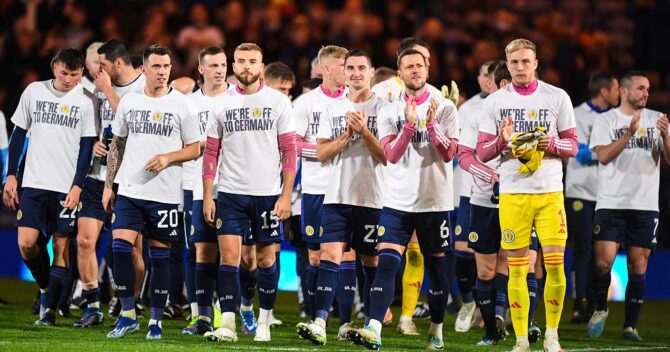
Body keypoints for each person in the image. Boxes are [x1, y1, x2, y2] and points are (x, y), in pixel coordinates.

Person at [351, 48, 458, 351]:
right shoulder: (389, 110)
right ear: (399, 74)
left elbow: (449, 153)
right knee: (386, 263)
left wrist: (432, 125)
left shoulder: (446, 107)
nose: (415, 70)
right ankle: (374, 328)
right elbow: (391, 156)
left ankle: (436, 329)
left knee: (436, 270)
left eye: (419, 65)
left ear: (428, 68)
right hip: (397, 202)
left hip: (434, 202)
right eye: (408, 66)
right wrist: (410, 125)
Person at [476, 38, 577, 352]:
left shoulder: (557, 97)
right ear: (507, 64)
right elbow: (481, 152)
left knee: (554, 266)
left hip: (549, 194)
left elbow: (572, 146)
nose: (520, 67)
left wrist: (552, 145)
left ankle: (551, 334)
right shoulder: (493, 102)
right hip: (513, 194)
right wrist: (503, 143)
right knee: (517, 268)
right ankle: (521, 340)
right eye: (514, 62)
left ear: (536, 63)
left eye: (526, 62)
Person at [103, 44, 200, 340]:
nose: (162, 72)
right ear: (144, 69)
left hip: (165, 194)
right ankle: (128, 313)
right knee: (120, 248)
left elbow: (196, 147)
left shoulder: (182, 105)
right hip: (130, 190)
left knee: (160, 258)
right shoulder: (130, 102)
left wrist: (168, 158)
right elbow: (117, 144)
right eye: (157, 67)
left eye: (166, 66)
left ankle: (155, 320)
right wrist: (109, 185)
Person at [202, 43, 296, 343]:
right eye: (241, 61)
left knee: (266, 261)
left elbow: (289, 152)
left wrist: (285, 195)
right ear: (233, 65)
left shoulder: (278, 102)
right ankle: (227, 323)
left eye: (252, 61)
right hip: (230, 193)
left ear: (260, 65)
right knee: (229, 258)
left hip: (268, 194)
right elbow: (211, 153)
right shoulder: (221, 103)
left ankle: (265, 320)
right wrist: (208, 195)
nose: (246, 66)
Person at [296, 49, 386, 345]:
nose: (356, 73)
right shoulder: (333, 110)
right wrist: (347, 135)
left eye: (362, 67)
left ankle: (372, 327)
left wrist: (365, 132)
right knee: (328, 257)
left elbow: (387, 156)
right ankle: (320, 321)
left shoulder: (386, 107)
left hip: (373, 198)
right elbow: (321, 154)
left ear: (371, 72)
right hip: (335, 196)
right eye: (351, 68)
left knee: (370, 263)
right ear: (343, 72)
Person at [3, 48, 96, 326]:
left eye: (75, 74)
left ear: (81, 73)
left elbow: (86, 148)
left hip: (65, 186)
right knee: (26, 244)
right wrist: (11, 176)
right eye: (64, 73)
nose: (68, 79)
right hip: (33, 182)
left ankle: (49, 309)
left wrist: (78, 186)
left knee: (61, 245)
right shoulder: (34, 91)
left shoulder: (87, 101)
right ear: (54, 67)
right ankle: (44, 288)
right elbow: (19, 135)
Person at [587, 71, 669, 341]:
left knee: (638, 264)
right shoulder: (605, 120)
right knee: (601, 264)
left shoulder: (658, 119)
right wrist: (629, 135)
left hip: (645, 204)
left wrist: (667, 138)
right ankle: (600, 307)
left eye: (648, 89)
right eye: (641, 88)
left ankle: (630, 326)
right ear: (623, 91)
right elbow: (603, 157)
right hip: (611, 202)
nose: (646, 93)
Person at [73, 38, 146, 328]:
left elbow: (135, 124)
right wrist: (92, 146)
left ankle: (129, 302)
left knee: (132, 251)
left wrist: (106, 90)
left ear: (117, 63)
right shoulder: (96, 89)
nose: (97, 72)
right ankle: (92, 305)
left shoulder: (142, 87)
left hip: (128, 181)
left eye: (102, 65)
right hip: (96, 176)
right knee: (84, 240)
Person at [292, 45, 348, 319]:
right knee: (315, 257)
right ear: (326, 69)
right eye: (342, 66)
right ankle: (316, 315)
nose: (348, 71)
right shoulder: (304, 103)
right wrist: (329, 150)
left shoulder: (354, 101)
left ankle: (345, 316)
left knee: (346, 255)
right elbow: (293, 145)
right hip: (315, 189)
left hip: (348, 190)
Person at [181, 46, 229, 336]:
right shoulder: (187, 104)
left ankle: (235, 310)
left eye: (223, 64)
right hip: (195, 185)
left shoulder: (237, 99)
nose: (219, 70)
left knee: (236, 252)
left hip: (234, 185)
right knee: (199, 249)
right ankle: (201, 313)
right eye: (212, 66)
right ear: (201, 69)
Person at [564, 71, 619, 323]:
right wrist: (611, 152)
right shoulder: (578, 114)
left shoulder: (615, 118)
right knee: (583, 246)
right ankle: (579, 301)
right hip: (580, 192)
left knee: (601, 251)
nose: (620, 93)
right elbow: (580, 152)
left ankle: (596, 302)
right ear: (605, 91)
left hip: (607, 194)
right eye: (617, 88)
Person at [453, 60, 495, 333]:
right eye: (485, 74)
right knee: (461, 252)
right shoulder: (467, 109)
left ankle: (493, 312)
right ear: (479, 78)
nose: (490, 80)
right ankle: (468, 301)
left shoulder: (510, 105)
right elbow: (458, 151)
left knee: (498, 258)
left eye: (494, 75)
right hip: (469, 190)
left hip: (504, 193)